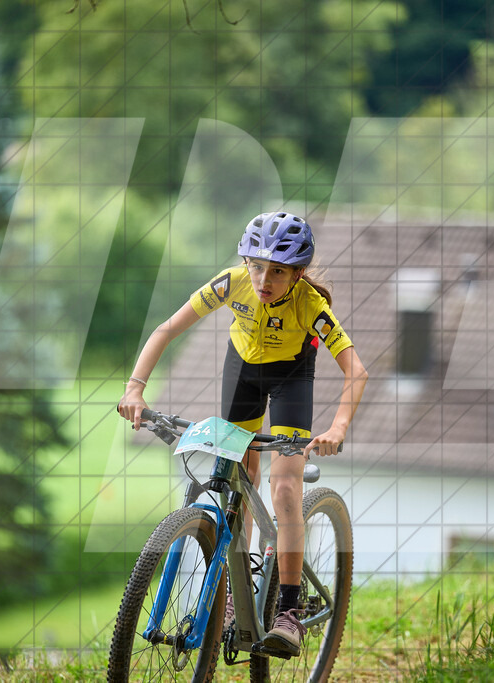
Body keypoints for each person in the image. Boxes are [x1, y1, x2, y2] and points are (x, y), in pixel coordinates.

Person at [117, 211, 368, 654]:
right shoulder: (230, 283)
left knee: (285, 489)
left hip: (292, 379)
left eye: (277, 271)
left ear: (298, 274)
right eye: (256, 266)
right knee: (236, 481)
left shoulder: (310, 304)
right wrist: (135, 389)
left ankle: (289, 611)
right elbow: (167, 329)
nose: (263, 279)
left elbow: (357, 370)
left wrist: (338, 427)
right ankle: (234, 600)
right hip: (243, 378)